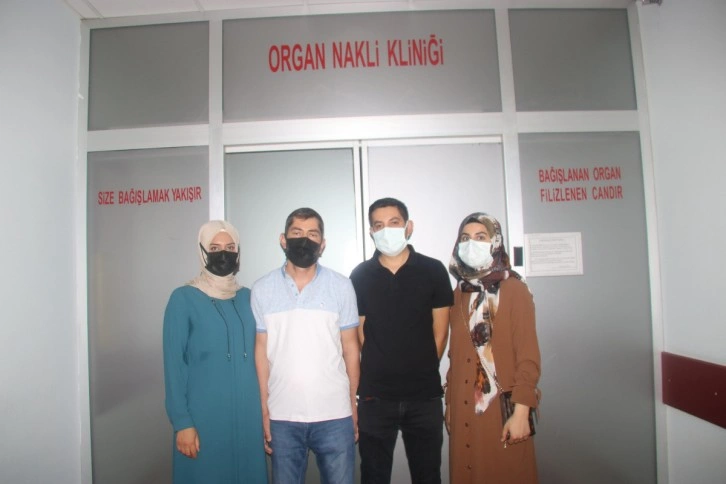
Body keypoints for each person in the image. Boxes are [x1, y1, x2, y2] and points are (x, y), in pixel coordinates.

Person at [251, 207, 360, 484]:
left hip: (335, 415)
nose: (304, 240)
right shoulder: (262, 289)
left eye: (312, 234)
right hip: (282, 417)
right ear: (283, 239)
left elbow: (351, 349)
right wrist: (264, 409)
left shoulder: (341, 286)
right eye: (297, 232)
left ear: (322, 244)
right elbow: (261, 353)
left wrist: (352, 405)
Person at [350, 197, 453, 484]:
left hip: (424, 396)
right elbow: (361, 334)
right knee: (373, 476)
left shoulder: (433, 270)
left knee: (428, 475)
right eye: (378, 225)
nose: (386, 230)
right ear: (371, 232)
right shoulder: (360, 276)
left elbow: (440, 332)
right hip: (375, 398)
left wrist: (418, 367)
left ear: (408, 226)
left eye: (394, 222)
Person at [162, 220, 268, 484]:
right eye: (215, 247)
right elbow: (174, 366)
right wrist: (182, 422)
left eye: (230, 247)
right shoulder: (183, 298)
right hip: (204, 416)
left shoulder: (249, 297)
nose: (223, 253)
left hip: (248, 415)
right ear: (202, 251)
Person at [445, 212, 541, 483]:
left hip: (502, 407)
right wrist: (450, 403)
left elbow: (528, 357)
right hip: (463, 405)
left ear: (495, 242)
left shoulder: (514, 289)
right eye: (465, 238)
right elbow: (456, 355)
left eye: (480, 237)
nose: (471, 244)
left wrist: (522, 412)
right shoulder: (459, 293)